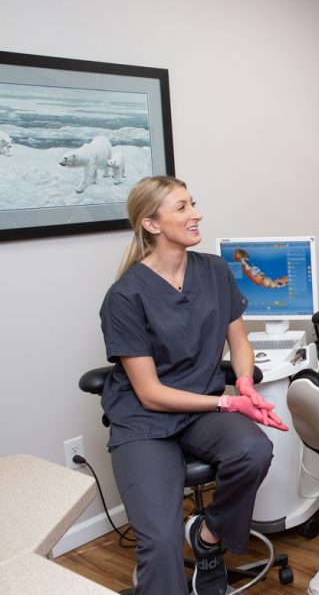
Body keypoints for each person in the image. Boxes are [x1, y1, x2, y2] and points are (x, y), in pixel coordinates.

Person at [98, 176, 288, 595]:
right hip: (144, 421)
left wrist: (242, 381)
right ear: (152, 224)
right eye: (181, 207)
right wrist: (227, 404)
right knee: (161, 543)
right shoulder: (125, 296)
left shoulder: (215, 271)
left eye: (193, 203)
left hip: (199, 409)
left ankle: (207, 538)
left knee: (255, 450)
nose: (195, 213)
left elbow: (238, 342)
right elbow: (149, 393)